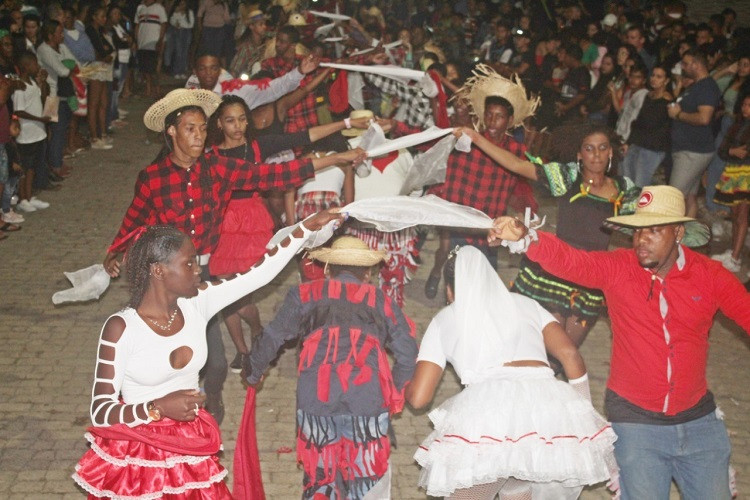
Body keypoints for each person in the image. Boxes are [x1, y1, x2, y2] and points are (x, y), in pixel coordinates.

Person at [103, 88, 365, 424]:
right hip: (163, 279)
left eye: (202, 128)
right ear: (171, 131)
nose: (199, 136)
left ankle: (210, 394)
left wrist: (334, 159)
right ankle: (154, 409)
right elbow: (134, 218)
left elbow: (271, 175)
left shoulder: (218, 168)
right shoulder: (153, 178)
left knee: (213, 362)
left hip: (205, 274)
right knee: (162, 355)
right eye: (190, 129)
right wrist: (115, 250)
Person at [490, 185, 749, 500]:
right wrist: (527, 237)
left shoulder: (710, 275)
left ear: (678, 232)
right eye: (638, 231)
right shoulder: (619, 268)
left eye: (654, 230)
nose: (642, 239)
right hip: (636, 421)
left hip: (699, 422)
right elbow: (571, 261)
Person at [72, 209, 343, 499]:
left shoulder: (198, 302)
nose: (199, 269)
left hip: (190, 445)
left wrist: (305, 228)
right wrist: (157, 408)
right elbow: (100, 412)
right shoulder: (122, 327)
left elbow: (259, 274)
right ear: (159, 270)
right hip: (138, 456)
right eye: (189, 264)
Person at [407, 245, 618, 499]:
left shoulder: (445, 318)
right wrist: (581, 415)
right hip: (546, 410)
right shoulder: (527, 304)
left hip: (492, 416)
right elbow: (570, 355)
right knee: (517, 489)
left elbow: (419, 398)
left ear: (450, 290)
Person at [243, 235, 418, 500]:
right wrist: (391, 392)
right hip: (367, 400)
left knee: (321, 478)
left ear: (326, 269)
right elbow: (408, 355)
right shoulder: (381, 300)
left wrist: (254, 372)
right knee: (366, 479)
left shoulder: (302, 295)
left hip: (316, 401)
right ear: (368, 274)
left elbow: (273, 336)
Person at [205, 94, 367, 373]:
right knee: (224, 290)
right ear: (219, 123)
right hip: (223, 223)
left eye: (242, 119)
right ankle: (243, 351)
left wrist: (346, 122)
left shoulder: (257, 146)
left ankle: (256, 328)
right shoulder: (211, 156)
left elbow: (305, 135)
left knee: (241, 295)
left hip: (252, 222)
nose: (238, 126)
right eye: (230, 120)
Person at [456, 123, 640, 359]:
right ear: (579, 154)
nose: (596, 154)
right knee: (540, 354)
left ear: (611, 152)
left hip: (590, 280)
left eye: (602, 148)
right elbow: (517, 165)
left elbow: (647, 227)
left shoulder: (624, 190)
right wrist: (477, 139)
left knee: (565, 356)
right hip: (554, 272)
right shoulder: (567, 177)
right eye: (589, 148)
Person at [426, 65, 539, 297]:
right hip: (463, 221)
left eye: (499, 117)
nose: (492, 121)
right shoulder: (468, 141)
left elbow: (532, 176)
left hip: (491, 228)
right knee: (455, 284)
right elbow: (435, 141)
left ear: (509, 121)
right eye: (488, 114)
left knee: (482, 289)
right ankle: (439, 277)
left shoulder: (517, 151)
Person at [667, 49, 721, 218]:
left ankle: (669, 239)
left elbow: (704, 118)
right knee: (689, 197)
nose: (682, 67)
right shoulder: (696, 85)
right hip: (688, 148)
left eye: (685, 63)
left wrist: (678, 115)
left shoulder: (707, 87)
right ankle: (686, 237)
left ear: (696, 65)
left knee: (672, 198)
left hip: (693, 150)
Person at [711, 93, 750, 272]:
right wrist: (732, 151)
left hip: (746, 173)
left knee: (742, 217)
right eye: (744, 104)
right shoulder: (737, 125)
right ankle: (735, 252)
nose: (745, 108)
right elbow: (723, 150)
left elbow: (744, 152)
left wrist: (734, 151)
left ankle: (735, 258)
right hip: (734, 171)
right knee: (736, 216)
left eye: (749, 105)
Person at [620, 65, 674, 187]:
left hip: (653, 147)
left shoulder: (667, 101)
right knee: (628, 179)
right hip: (639, 143)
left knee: (640, 184)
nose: (654, 79)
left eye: (659, 77)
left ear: (666, 80)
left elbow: (656, 124)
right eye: (653, 75)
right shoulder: (649, 96)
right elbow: (639, 121)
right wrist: (629, 142)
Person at [12, 51, 50, 214]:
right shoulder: (20, 88)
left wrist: (42, 84)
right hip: (27, 134)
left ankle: (30, 195)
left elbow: (42, 99)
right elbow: (18, 111)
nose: (38, 66)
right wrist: (39, 119)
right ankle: (23, 198)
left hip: (38, 133)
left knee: (33, 167)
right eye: (35, 63)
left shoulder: (33, 83)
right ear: (26, 66)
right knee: (25, 168)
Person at [84, 5, 115, 150]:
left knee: (103, 102)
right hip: (95, 68)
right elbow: (100, 51)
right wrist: (104, 54)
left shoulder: (99, 31)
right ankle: (94, 136)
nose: (104, 19)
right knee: (94, 103)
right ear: (94, 17)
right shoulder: (90, 30)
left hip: (102, 68)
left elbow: (109, 49)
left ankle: (102, 133)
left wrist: (105, 53)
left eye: (105, 16)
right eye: (101, 16)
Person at [134, 0, 167, 99]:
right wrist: (136, 40)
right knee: (145, 68)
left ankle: (157, 89)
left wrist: (160, 40)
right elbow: (137, 25)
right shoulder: (140, 8)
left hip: (153, 41)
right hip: (142, 42)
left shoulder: (159, 8)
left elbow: (164, 24)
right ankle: (148, 90)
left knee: (153, 68)